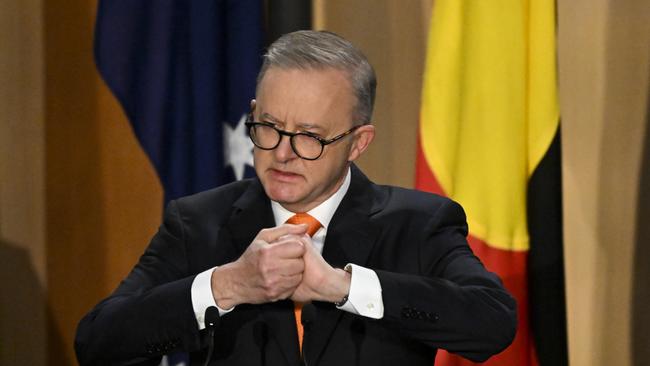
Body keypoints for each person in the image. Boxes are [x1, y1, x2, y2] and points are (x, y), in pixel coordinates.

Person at [75, 30, 516, 366]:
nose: (282, 153)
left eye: (310, 136)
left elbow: (492, 323)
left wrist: (342, 286)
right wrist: (226, 285)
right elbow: (98, 344)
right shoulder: (198, 223)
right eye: (268, 126)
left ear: (358, 142)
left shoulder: (417, 224)